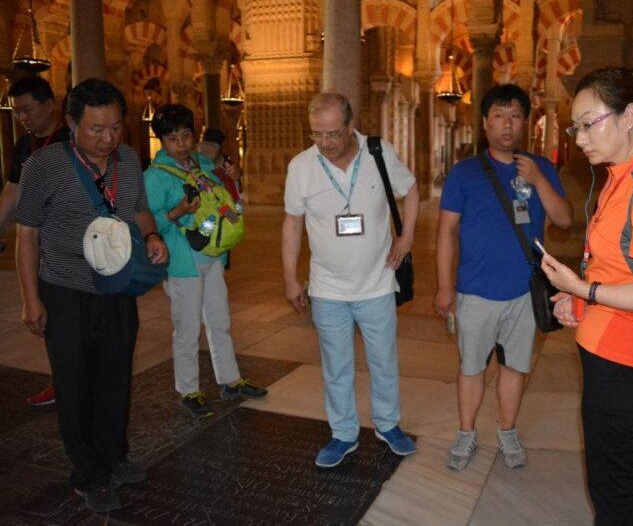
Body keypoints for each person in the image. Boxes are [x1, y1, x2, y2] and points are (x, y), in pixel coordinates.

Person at [540, 67, 633, 526]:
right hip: (607, 350)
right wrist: (582, 302)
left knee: (616, 489)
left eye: (589, 124)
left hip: (629, 360)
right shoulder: (620, 177)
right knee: (624, 482)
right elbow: (618, 268)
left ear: (627, 116)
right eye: (576, 128)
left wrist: (580, 288)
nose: (581, 139)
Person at [15, 78, 169, 513]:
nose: (108, 139)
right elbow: (28, 235)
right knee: (75, 383)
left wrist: (152, 235)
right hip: (65, 289)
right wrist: (31, 298)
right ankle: (88, 474)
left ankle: (114, 456)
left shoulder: (128, 159)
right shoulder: (43, 165)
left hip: (117, 287)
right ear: (71, 124)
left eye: (116, 127)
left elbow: (139, 208)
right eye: (97, 129)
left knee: (115, 376)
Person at [433, 84, 573, 471]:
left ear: (526, 122)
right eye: (498, 116)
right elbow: (445, 232)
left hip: (524, 291)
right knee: (471, 366)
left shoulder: (541, 168)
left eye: (514, 116)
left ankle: (508, 431)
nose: (507, 125)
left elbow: (564, 219)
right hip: (475, 290)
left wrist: (539, 180)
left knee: (515, 367)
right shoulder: (464, 173)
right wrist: (444, 287)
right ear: (485, 123)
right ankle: (466, 432)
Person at [282, 91, 419, 468]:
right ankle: (343, 433)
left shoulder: (378, 152)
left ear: (350, 126)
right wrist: (290, 277)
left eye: (333, 134)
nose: (324, 143)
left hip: (377, 283)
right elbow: (292, 223)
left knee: (383, 361)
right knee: (336, 366)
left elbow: (410, 190)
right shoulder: (302, 166)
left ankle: (388, 424)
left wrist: (406, 237)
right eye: (316, 134)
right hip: (327, 289)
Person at [143, 104, 266, 419]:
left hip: (213, 254)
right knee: (186, 328)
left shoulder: (203, 164)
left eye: (186, 136)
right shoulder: (155, 177)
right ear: (162, 141)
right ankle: (189, 390)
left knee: (219, 320)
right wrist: (178, 212)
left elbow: (226, 199)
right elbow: (147, 221)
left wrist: (233, 179)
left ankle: (231, 380)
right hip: (183, 261)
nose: (181, 144)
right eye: (172, 139)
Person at [0, 76, 70, 408]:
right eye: (17, 112)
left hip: (71, 249)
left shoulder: (72, 139)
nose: (21, 117)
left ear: (50, 105)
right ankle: (63, 381)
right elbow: (11, 192)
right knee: (50, 319)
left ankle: (78, 383)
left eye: (27, 109)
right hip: (38, 247)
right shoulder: (24, 146)